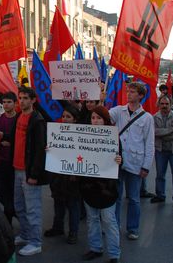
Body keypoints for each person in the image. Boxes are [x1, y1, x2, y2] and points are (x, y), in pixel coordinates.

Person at [109, 82, 155, 240]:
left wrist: (146, 166)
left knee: (134, 198)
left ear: (141, 95)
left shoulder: (147, 118)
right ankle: (114, 225)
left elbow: (149, 143)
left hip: (135, 162)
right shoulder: (119, 111)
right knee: (116, 196)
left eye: (133, 92)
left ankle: (133, 228)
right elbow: (103, 116)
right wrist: (101, 100)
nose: (129, 94)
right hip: (118, 160)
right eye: (128, 91)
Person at [79, 106, 121, 263]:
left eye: (99, 118)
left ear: (105, 120)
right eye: (93, 118)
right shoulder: (83, 136)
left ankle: (114, 254)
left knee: (109, 221)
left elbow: (120, 159)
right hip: (89, 186)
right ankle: (95, 248)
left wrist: (119, 160)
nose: (95, 121)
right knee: (92, 219)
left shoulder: (113, 137)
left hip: (107, 188)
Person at [13, 86, 48, 256]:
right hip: (17, 168)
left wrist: (34, 174)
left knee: (32, 209)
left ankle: (35, 242)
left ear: (33, 100)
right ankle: (25, 234)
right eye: (20, 98)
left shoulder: (37, 120)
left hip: (28, 172)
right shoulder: (19, 116)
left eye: (26, 98)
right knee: (19, 206)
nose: (22, 101)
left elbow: (40, 149)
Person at [45, 103, 81, 245]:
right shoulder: (56, 132)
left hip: (73, 176)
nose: (65, 119)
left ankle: (73, 232)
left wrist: (76, 172)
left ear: (75, 119)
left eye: (68, 117)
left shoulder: (81, 135)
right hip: (57, 175)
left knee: (73, 205)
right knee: (58, 201)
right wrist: (49, 149)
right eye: (64, 116)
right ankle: (58, 227)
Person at [151, 95, 173, 206]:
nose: (164, 106)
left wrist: (162, 134)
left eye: (166, 104)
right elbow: (154, 132)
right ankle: (160, 195)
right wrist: (169, 130)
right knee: (160, 174)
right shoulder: (154, 117)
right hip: (161, 150)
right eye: (162, 104)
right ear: (159, 105)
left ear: (170, 105)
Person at [0, 92, 18, 224]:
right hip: (0, 159)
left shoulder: (19, 119)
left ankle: (9, 216)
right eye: (4, 102)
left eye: (9, 102)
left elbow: (19, 138)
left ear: (15, 103)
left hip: (13, 161)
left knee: (10, 190)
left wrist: (8, 141)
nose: (6, 105)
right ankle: (11, 210)